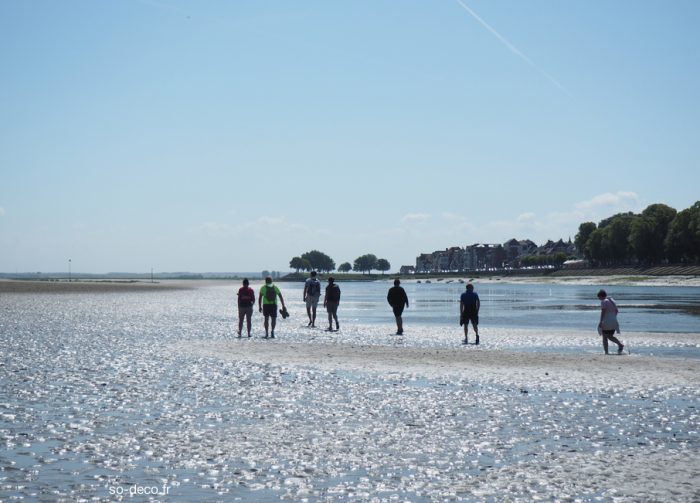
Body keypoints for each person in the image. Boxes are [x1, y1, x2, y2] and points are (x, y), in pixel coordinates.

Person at [597, 289, 624, 355]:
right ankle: (618, 345)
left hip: (607, 321)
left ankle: (608, 351)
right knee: (608, 336)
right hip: (614, 321)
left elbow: (603, 311)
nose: (599, 299)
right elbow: (617, 311)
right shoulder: (612, 301)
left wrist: (600, 321)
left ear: (601, 296)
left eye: (599, 297)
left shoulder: (604, 301)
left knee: (605, 337)